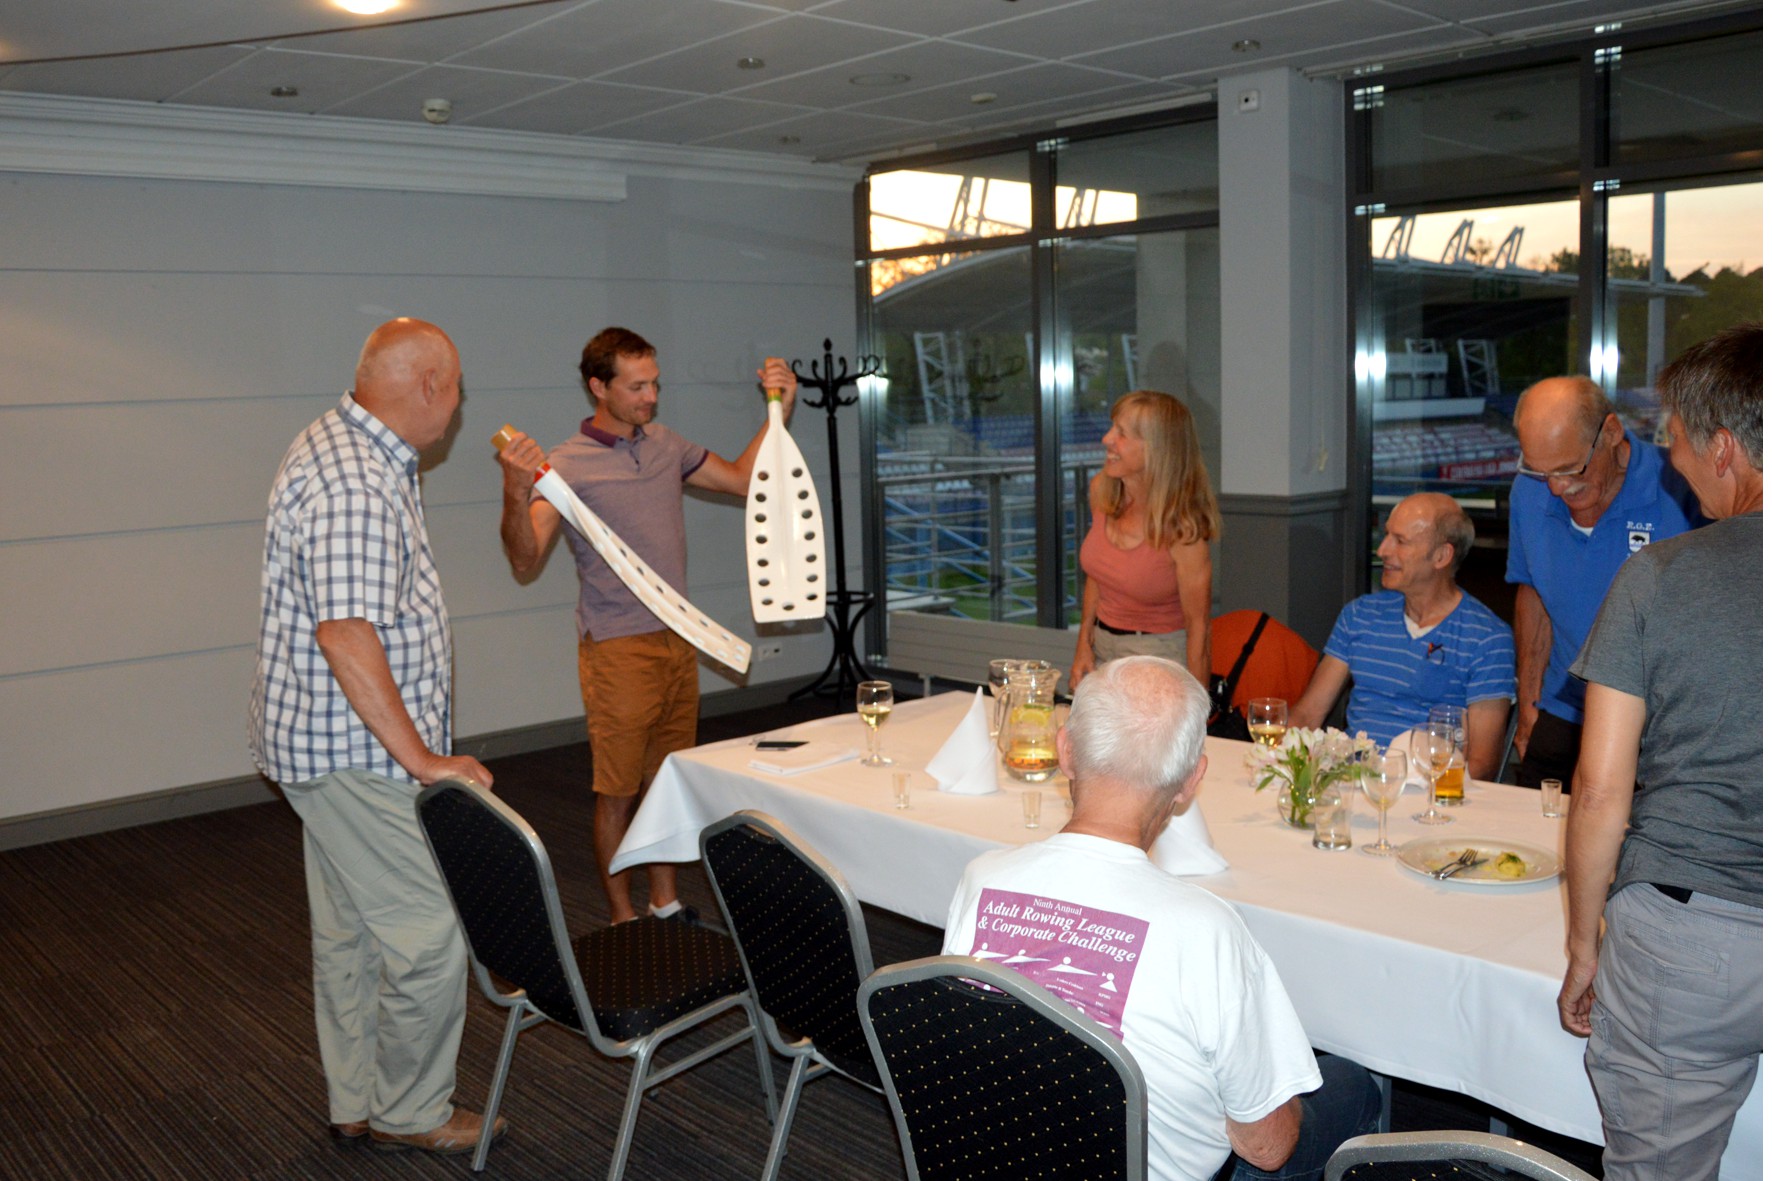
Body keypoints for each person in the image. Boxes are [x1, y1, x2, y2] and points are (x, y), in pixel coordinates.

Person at [943, 656, 1380, 1181]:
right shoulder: (1206, 929)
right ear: (1191, 781)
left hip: (995, 1154)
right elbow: (1268, 1147)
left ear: (1065, 751)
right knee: (1354, 1084)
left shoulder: (983, 879)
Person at [250, 318, 503, 1154]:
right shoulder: (357, 479)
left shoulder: (343, 445)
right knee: (430, 933)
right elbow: (346, 633)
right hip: (355, 757)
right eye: (456, 387)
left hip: (326, 748)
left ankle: (354, 1097)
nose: (458, 406)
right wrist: (423, 760)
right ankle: (411, 1108)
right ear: (428, 385)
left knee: (353, 930)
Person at [497, 327, 796, 925]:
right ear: (598, 387)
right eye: (636, 387)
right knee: (619, 791)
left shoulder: (665, 445)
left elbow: (744, 480)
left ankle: (664, 901)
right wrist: (514, 489)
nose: (650, 398)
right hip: (617, 647)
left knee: (668, 784)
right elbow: (525, 557)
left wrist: (778, 412)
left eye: (654, 384)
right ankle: (622, 917)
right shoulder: (566, 466)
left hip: (678, 639)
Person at [1557, 324, 1762, 1181]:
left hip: (1692, 934)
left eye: (1675, 438)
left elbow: (1601, 790)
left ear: (1724, 448)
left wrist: (1583, 944)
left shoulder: (1661, 576)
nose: (1670, 461)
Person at [1506, 375, 1704, 788]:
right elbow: (1533, 595)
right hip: (1563, 708)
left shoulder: (1681, 487)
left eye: (1569, 468)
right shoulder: (1529, 492)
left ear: (1611, 432)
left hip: (1659, 725)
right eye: (1541, 471)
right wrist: (1528, 704)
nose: (1557, 487)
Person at [1291, 492, 1514, 778]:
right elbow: (1308, 715)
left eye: (1400, 541)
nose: (1382, 550)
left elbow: (1482, 764)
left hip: (1429, 788)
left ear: (1441, 556)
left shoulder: (1487, 638)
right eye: (1386, 536)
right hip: (1351, 781)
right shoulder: (1359, 615)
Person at [1071, 391, 1219, 691]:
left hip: (1158, 658)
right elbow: (1098, 575)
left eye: (1122, 433)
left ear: (1157, 449)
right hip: (1102, 647)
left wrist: (1197, 707)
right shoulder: (1102, 491)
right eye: (1112, 427)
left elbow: (1198, 628)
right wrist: (1083, 644)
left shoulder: (1182, 526)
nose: (1106, 439)